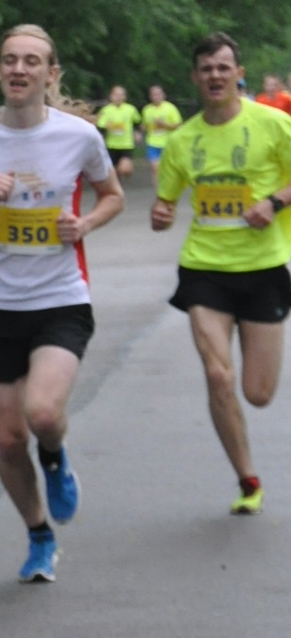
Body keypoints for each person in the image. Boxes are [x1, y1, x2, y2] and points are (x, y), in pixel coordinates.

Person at [0, 24, 125, 582]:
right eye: (10, 60)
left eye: (32, 61)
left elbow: (112, 196)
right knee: (8, 439)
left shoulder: (78, 137)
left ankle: (56, 456)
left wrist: (83, 224)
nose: (19, 69)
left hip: (62, 299)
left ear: (50, 74)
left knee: (41, 415)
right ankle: (39, 534)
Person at [151, 31, 291, 514]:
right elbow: (165, 202)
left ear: (239, 74)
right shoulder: (182, 140)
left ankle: (248, 467)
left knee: (258, 393)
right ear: (195, 77)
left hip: (263, 267)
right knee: (216, 374)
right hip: (203, 269)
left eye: (223, 67)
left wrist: (274, 202)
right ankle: (248, 480)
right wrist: (161, 213)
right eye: (206, 69)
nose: (215, 75)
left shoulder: (273, 124)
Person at [95, 84, 138, 180]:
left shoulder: (131, 109)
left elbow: (137, 122)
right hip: (111, 145)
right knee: (114, 173)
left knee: (125, 170)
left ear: (124, 97)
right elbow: (100, 125)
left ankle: (126, 169)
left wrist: (137, 132)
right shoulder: (105, 110)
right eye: (116, 95)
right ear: (111, 96)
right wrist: (106, 126)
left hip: (126, 145)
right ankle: (117, 184)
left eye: (121, 95)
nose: (118, 97)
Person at [141, 84, 182, 167]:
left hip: (168, 144)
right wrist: (141, 130)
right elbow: (144, 126)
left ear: (163, 95)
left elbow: (179, 127)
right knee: (155, 168)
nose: (156, 97)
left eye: (158, 94)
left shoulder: (171, 108)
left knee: (168, 168)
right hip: (152, 143)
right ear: (150, 97)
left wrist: (164, 124)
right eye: (154, 94)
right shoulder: (147, 110)